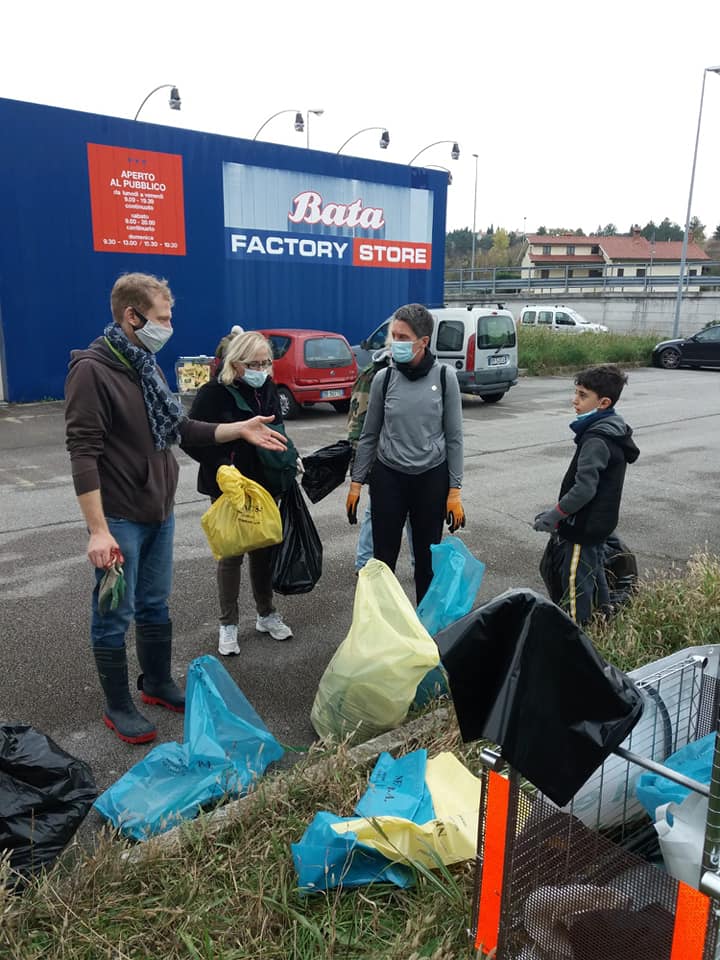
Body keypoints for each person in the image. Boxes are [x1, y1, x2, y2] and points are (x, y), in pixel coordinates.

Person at [64, 273, 287, 745]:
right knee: (113, 611)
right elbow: (83, 452)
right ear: (132, 316)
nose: (168, 326)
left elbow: (182, 429)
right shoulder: (92, 370)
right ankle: (117, 705)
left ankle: (157, 683)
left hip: (157, 511)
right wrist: (97, 530)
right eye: (162, 318)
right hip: (119, 516)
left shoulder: (145, 365)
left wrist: (239, 429)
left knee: (153, 603)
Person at [181, 331, 295, 655]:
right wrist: (219, 465)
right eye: (254, 363)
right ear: (236, 363)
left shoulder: (268, 389)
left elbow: (278, 430)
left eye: (266, 362)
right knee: (231, 555)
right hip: (229, 485)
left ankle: (266, 613)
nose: (262, 369)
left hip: (264, 484)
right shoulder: (214, 393)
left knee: (263, 550)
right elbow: (190, 438)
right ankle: (228, 624)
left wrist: (288, 461)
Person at [346, 303, 465, 604]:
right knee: (382, 562)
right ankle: (385, 629)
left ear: (423, 341)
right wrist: (357, 482)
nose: (394, 343)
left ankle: (426, 630)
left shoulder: (444, 377)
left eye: (402, 337)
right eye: (393, 335)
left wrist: (455, 490)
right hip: (389, 478)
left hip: (431, 478)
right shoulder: (384, 379)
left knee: (427, 563)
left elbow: (454, 437)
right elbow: (369, 434)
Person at [533, 364, 640, 625]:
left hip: (582, 526)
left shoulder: (596, 439)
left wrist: (554, 515)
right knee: (595, 576)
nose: (575, 400)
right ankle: (603, 621)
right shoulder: (613, 429)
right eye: (576, 393)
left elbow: (584, 489)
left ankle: (577, 636)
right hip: (599, 524)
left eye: (582, 395)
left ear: (603, 402)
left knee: (576, 585)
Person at [346, 345, 414, 573]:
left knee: (410, 513)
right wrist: (360, 462)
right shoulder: (375, 375)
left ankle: (419, 563)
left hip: (408, 459)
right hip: (381, 459)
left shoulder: (409, 371)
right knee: (376, 512)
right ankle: (364, 563)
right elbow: (359, 421)